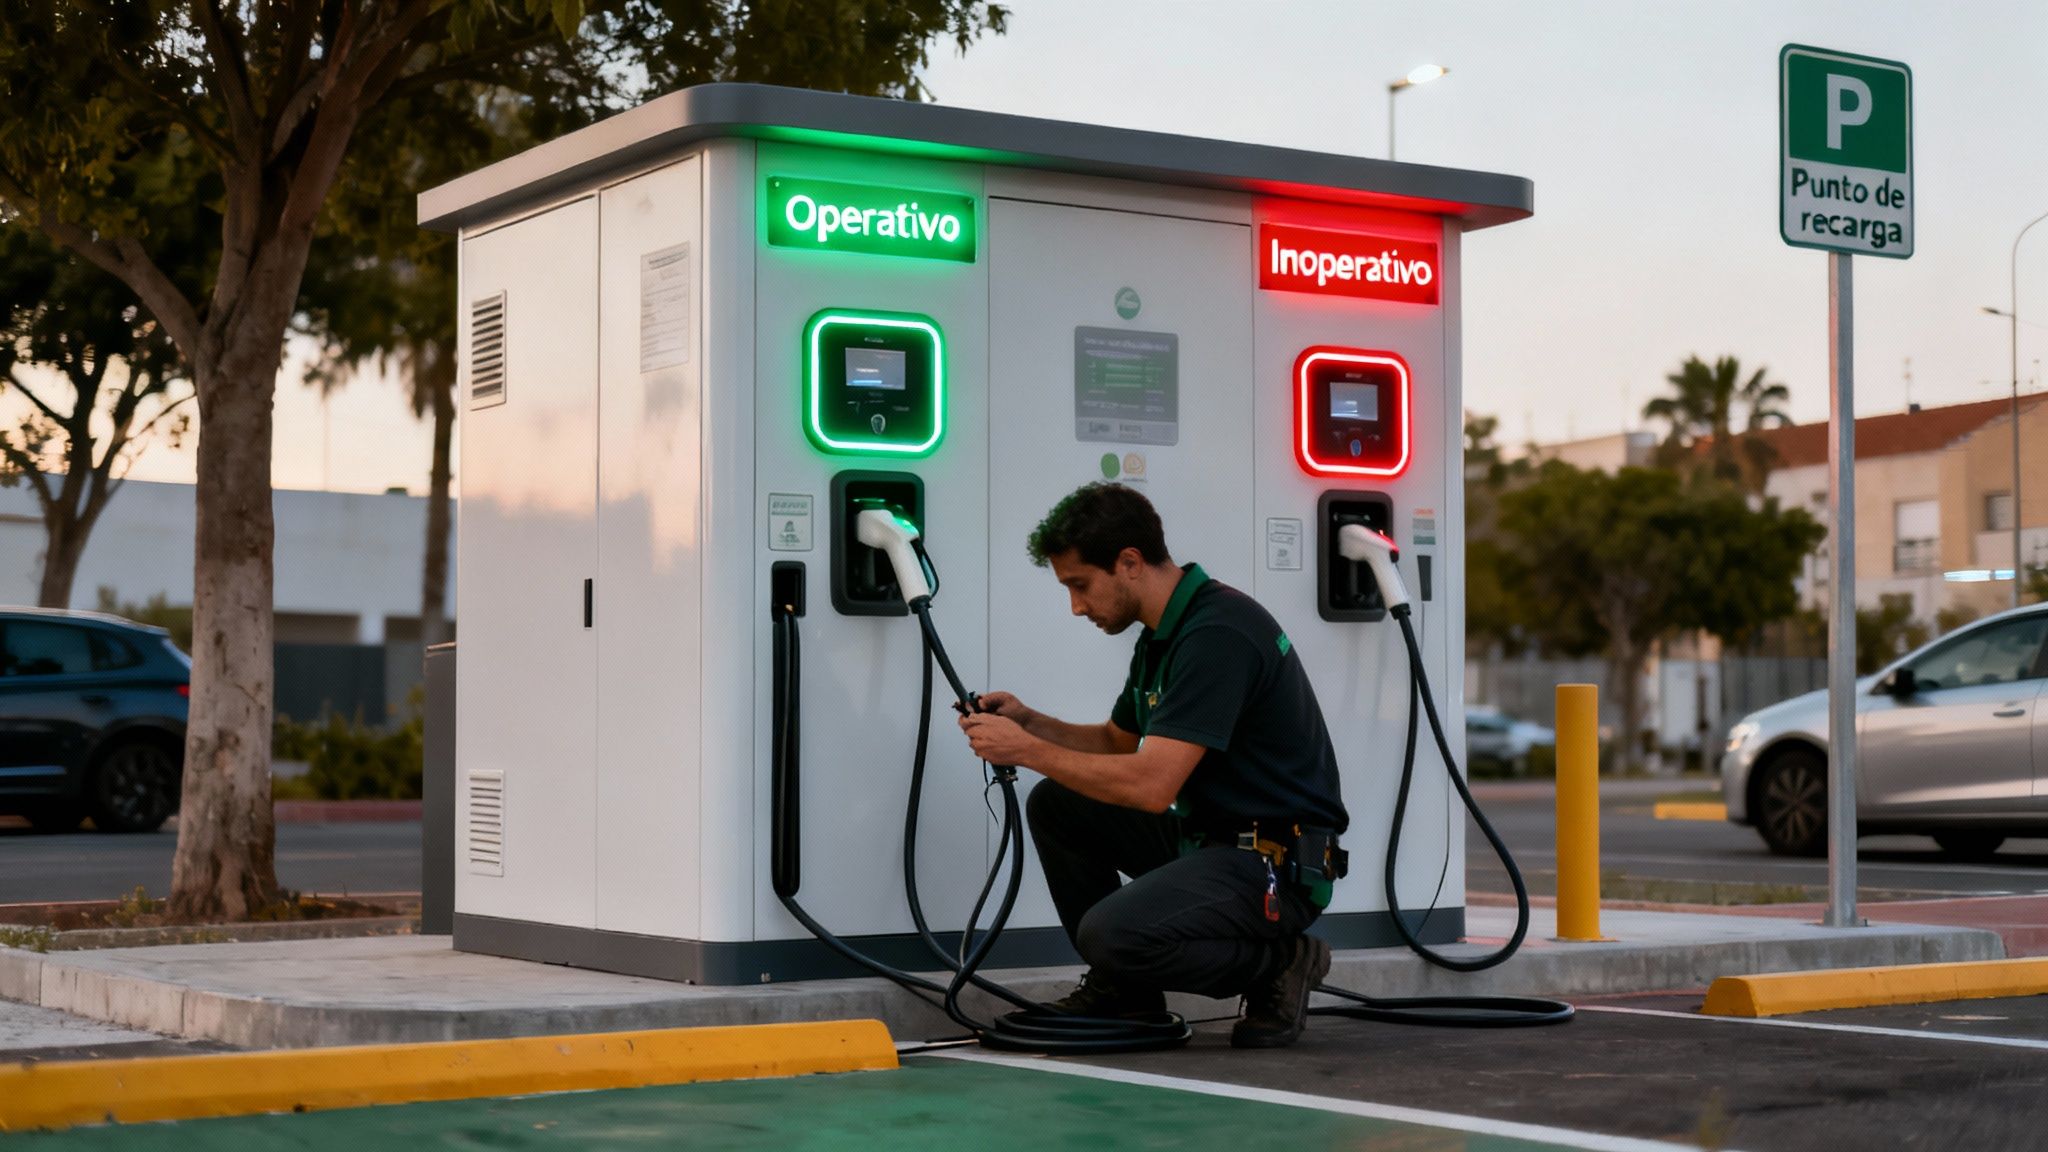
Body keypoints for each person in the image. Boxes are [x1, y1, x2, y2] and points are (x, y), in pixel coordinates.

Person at [958, 482, 1349, 1049]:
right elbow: (1120, 743)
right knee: (1059, 805)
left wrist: (1027, 752)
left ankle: (1282, 961)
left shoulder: (1218, 633)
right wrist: (1030, 723)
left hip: (1275, 862)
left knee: (1111, 933)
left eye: (1080, 585)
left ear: (1130, 562)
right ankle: (1125, 994)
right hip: (1213, 841)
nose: (1076, 606)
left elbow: (1149, 786)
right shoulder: (1163, 637)